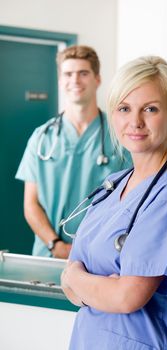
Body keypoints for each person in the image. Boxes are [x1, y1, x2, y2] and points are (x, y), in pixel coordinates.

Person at [61, 56, 167, 350]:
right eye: (124, 108)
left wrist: (79, 277)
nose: (135, 122)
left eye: (150, 109)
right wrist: (88, 282)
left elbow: (125, 298)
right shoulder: (114, 184)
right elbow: (69, 288)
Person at [15, 45, 131, 259]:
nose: (75, 80)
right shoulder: (41, 138)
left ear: (97, 79)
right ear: (60, 81)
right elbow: (30, 204)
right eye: (68, 74)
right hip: (48, 255)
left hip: (99, 256)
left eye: (83, 73)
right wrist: (55, 244)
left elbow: (132, 199)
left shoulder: (120, 136)